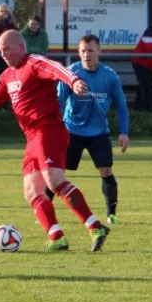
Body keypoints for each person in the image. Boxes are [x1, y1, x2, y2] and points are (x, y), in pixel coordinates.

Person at [0, 30, 110, 252]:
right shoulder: (7, 76)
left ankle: (95, 226)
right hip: (32, 138)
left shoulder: (33, 62)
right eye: (0, 50)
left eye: (6, 48)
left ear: (20, 46)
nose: (3, 54)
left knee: (54, 181)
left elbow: (56, 69)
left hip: (49, 130)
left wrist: (73, 81)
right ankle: (56, 236)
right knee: (32, 191)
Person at [45, 35, 130, 225]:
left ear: (99, 52)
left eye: (90, 50)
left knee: (106, 170)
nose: (86, 54)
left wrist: (124, 132)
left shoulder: (109, 76)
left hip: (99, 132)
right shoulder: (71, 73)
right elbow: (58, 102)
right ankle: (44, 210)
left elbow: (122, 105)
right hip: (71, 131)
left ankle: (112, 214)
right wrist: (55, 127)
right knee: (55, 172)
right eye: (83, 50)